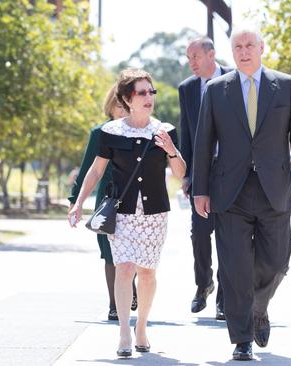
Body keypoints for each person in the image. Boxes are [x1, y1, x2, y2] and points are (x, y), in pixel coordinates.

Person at [192, 27, 291, 361]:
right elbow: (204, 143)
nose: (244, 51)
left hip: (275, 190)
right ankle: (242, 338)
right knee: (234, 268)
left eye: (249, 45)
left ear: (262, 48)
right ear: (231, 52)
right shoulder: (216, 90)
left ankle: (259, 307)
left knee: (277, 263)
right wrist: (200, 190)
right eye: (237, 46)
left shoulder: (287, 86)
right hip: (229, 192)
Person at [68, 69, 186, 357]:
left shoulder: (165, 130)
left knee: (147, 272)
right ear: (127, 99)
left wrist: (172, 151)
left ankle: (141, 327)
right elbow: (96, 171)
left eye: (151, 92)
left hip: (154, 213)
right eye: (142, 93)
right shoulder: (111, 132)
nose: (149, 97)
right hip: (122, 213)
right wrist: (79, 202)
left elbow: (181, 174)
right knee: (124, 268)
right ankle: (123, 332)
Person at [68, 85, 138, 322]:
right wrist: (75, 201)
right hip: (106, 200)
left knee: (131, 252)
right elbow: (89, 167)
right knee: (109, 253)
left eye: (126, 106)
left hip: (133, 198)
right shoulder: (100, 133)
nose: (122, 110)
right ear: (110, 105)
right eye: (118, 105)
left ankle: (130, 288)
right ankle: (114, 305)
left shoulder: (137, 131)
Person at [178, 37, 232, 320]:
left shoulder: (234, 80)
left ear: (211, 54)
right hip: (202, 171)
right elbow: (186, 132)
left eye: (196, 56)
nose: (192, 62)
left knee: (229, 234)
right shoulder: (187, 88)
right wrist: (187, 174)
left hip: (231, 169)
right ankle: (204, 284)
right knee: (199, 232)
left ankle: (224, 297)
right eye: (188, 58)